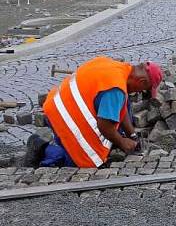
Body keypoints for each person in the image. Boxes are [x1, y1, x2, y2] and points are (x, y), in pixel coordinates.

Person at [26, 57, 163, 168]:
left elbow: (122, 108)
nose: (139, 93)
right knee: (88, 161)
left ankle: (65, 142)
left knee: (124, 102)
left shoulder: (117, 67)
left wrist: (131, 135)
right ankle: (42, 148)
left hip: (58, 101)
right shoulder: (115, 89)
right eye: (144, 91)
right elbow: (104, 126)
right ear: (142, 81)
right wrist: (122, 142)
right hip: (63, 114)